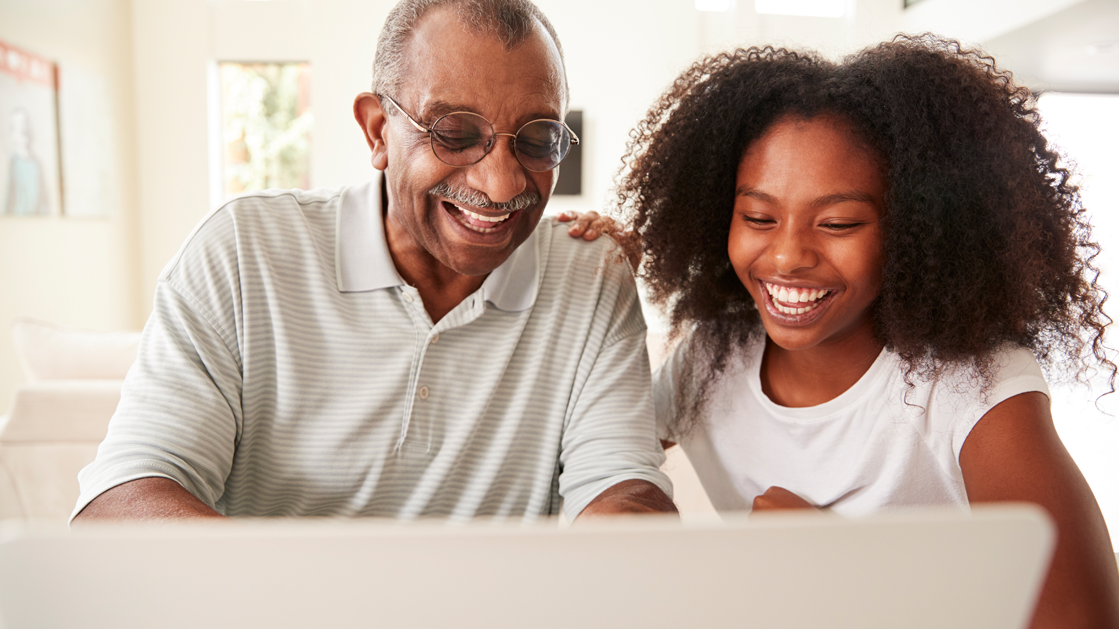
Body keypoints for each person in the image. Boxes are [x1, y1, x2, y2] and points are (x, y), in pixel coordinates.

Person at [71, 0, 674, 524]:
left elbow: (620, 487)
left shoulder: (591, 276)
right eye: (455, 133)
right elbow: (121, 501)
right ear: (378, 131)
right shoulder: (242, 251)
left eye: (537, 138)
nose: (500, 184)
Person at [606, 36, 1119, 628]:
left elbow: (1082, 618)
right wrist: (579, 279)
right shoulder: (708, 358)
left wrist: (848, 563)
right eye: (758, 218)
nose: (789, 256)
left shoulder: (969, 388)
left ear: (913, 231)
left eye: (838, 222)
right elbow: (581, 452)